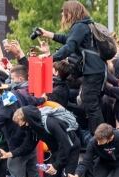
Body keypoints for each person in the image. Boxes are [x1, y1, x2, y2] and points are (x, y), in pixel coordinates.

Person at [36, 1, 106, 134]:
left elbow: (69, 47)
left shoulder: (80, 26)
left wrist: (50, 59)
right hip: (96, 69)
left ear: (70, 12)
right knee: (91, 105)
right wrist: (48, 34)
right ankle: (99, 138)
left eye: (64, 11)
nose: (62, 14)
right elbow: (69, 39)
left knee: (91, 106)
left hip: (93, 71)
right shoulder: (85, 25)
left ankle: (100, 139)